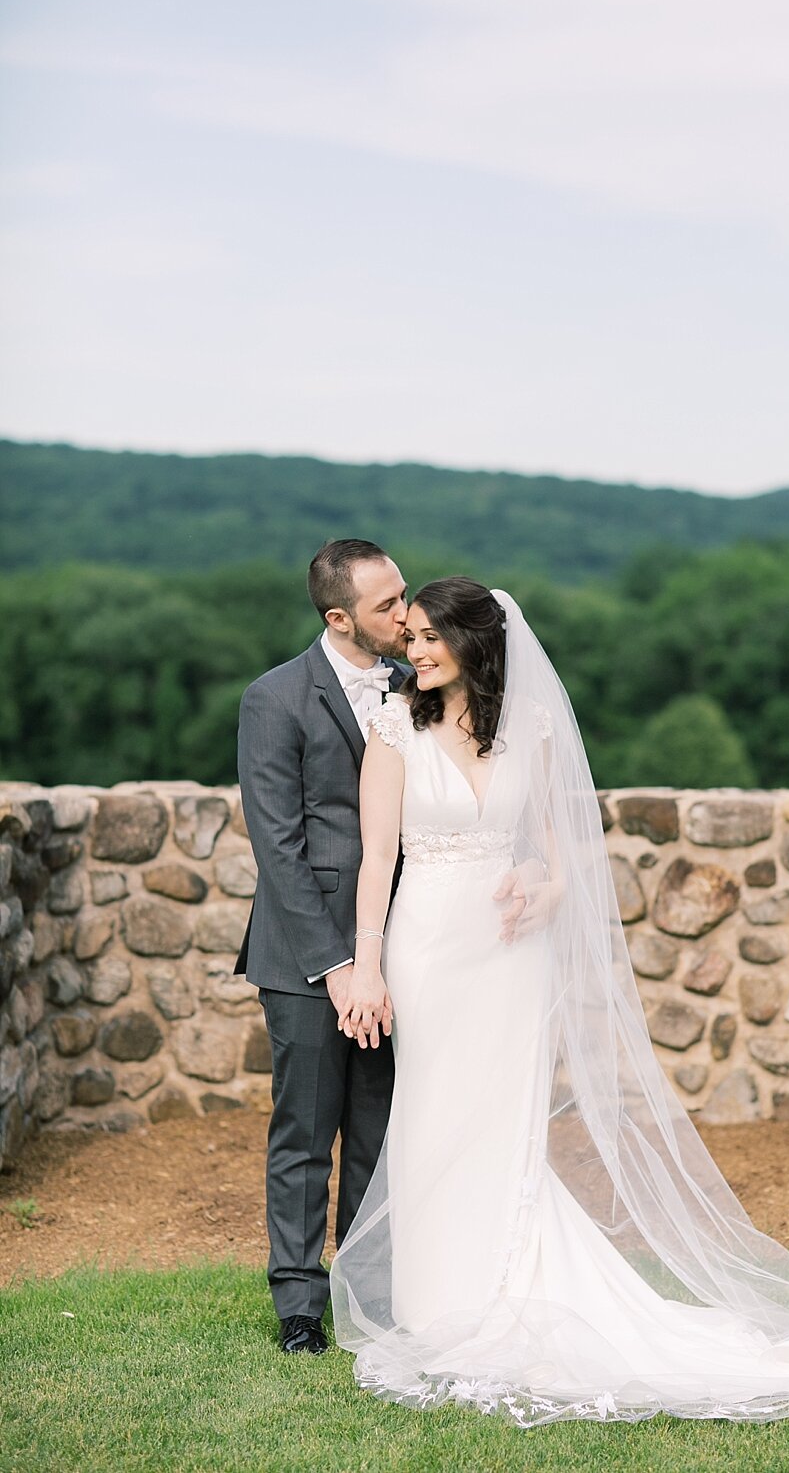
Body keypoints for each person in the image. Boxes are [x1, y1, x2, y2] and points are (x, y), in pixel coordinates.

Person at [329, 576, 789, 1426]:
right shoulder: (394, 729)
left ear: (475, 643)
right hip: (425, 947)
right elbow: (374, 860)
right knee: (431, 1115)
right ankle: (435, 1306)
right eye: (411, 636)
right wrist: (369, 966)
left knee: (500, 1123)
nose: (415, 651)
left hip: (507, 957)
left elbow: (558, 854)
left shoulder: (526, 729)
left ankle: (503, 1282)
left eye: (430, 637)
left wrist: (544, 886)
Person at [235, 538, 410, 1355]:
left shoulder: (421, 686)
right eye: (386, 605)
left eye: (403, 594)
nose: (405, 615)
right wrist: (339, 968)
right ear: (339, 618)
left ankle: (366, 1293)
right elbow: (279, 847)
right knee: (306, 1134)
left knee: (379, 1128)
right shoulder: (274, 699)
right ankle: (299, 1308)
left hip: (406, 945)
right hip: (307, 960)